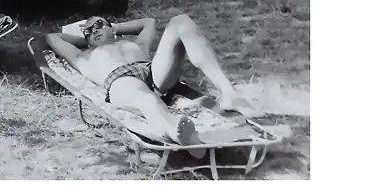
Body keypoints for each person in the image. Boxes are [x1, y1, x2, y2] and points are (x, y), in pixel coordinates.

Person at [46, 9, 256, 158]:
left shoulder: (136, 43)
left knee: (181, 21)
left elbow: (149, 22)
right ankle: (177, 133)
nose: (93, 31)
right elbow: (51, 37)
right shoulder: (84, 55)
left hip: (152, 71)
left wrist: (114, 28)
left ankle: (228, 92)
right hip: (121, 81)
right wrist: (89, 40)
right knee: (146, 99)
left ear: (111, 27)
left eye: (98, 24)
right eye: (88, 31)